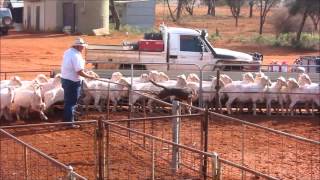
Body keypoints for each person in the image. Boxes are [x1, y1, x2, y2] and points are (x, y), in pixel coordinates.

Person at [61, 37, 97, 128]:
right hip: (73, 81)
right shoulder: (76, 56)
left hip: (65, 79)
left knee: (67, 101)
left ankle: (66, 119)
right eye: (82, 46)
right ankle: (70, 123)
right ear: (78, 46)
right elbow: (79, 71)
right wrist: (90, 77)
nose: (83, 48)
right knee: (72, 103)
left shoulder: (68, 52)